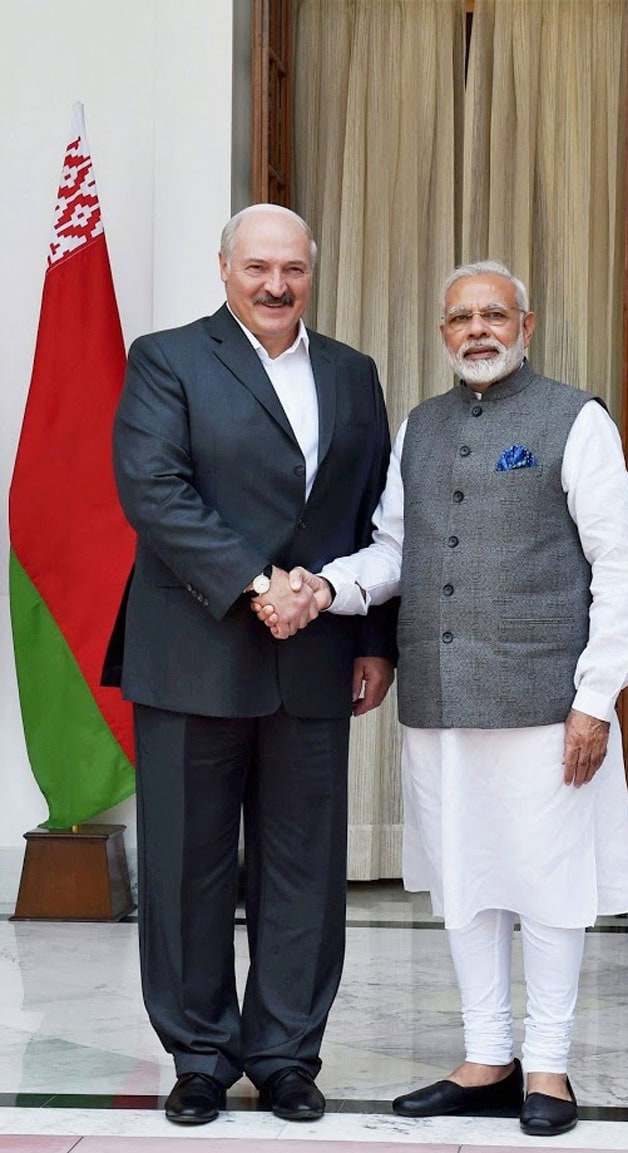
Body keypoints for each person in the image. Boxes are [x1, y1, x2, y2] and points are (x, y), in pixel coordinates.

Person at [253, 260, 628, 1137]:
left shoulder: (575, 419)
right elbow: (393, 550)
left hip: (547, 703)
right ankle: (485, 1057)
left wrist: (596, 698)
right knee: (465, 877)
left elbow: (619, 567)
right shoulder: (420, 427)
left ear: (525, 326)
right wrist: (324, 587)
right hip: (438, 699)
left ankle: (547, 1065)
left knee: (547, 886)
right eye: (462, 318)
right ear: (442, 333)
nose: (478, 331)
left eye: (494, 315)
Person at [103, 204, 396, 1126]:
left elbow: (374, 512)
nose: (276, 285)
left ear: (312, 272)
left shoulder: (352, 372)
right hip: (194, 651)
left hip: (317, 656)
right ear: (225, 267)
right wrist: (256, 582)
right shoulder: (167, 359)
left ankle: (284, 1056)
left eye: (293, 269)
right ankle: (199, 1056)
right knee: (187, 867)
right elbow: (154, 489)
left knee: (305, 867)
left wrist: (374, 638)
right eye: (258, 267)